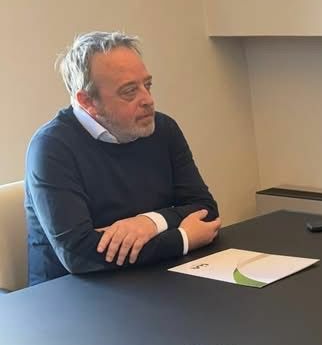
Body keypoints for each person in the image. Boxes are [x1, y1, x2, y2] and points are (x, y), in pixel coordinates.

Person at [26, 31, 220, 285]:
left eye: (147, 85)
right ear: (87, 101)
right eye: (129, 92)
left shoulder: (163, 129)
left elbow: (205, 210)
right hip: (70, 294)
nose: (148, 100)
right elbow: (78, 254)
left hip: (153, 278)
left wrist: (150, 223)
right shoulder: (51, 147)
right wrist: (182, 238)